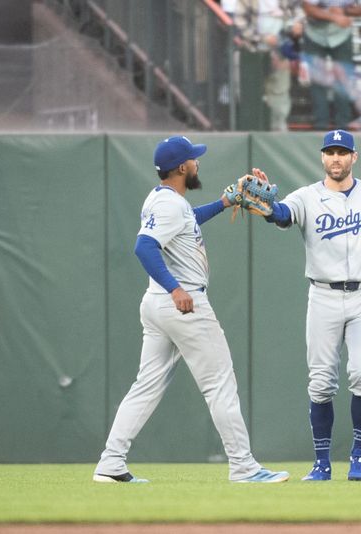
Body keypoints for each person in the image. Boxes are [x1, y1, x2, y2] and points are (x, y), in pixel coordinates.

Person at [93, 136, 289, 484]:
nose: (198, 163)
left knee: (146, 386)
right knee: (220, 383)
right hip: (182, 303)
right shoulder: (170, 205)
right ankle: (243, 467)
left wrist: (225, 201)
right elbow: (144, 247)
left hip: (155, 305)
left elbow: (188, 221)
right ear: (182, 167)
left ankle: (110, 463)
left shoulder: (162, 199)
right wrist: (176, 288)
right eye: (194, 160)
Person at [252, 129, 361, 481]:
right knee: (320, 383)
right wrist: (270, 208)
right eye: (330, 152)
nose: (336, 158)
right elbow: (284, 214)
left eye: (342, 152)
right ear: (322, 158)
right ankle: (322, 463)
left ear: (353, 157)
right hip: (323, 296)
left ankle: (359, 455)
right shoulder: (307, 197)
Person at [229, 0, 305, 131]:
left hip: (280, 52)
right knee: (249, 94)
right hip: (251, 52)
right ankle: (249, 131)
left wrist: (297, 24)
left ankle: (278, 131)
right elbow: (240, 23)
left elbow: (299, 12)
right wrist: (262, 38)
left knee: (279, 93)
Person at [302, 0, 361, 130]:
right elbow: (308, 7)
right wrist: (333, 16)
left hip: (341, 34)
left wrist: (344, 11)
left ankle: (342, 125)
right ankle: (320, 125)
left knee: (343, 80)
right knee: (318, 81)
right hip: (315, 34)